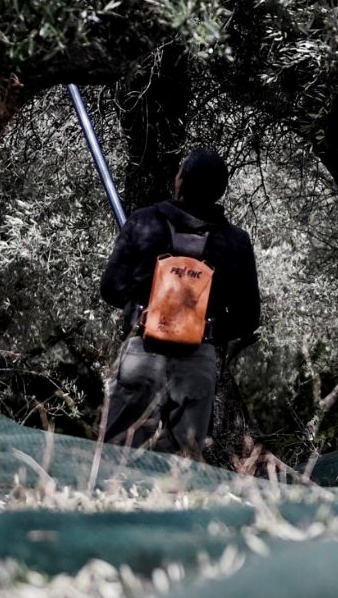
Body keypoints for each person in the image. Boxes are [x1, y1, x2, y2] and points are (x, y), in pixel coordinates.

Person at [99, 148, 261, 458]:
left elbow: (110, 288)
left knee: (118, 456)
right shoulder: (236, 240)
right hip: (198, 358)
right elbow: (248, 316)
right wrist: (204, 327)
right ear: (220, 191)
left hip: (142, 351)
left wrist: (146, 308)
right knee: (183, 464)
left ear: (180, 182)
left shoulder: (143, 221)